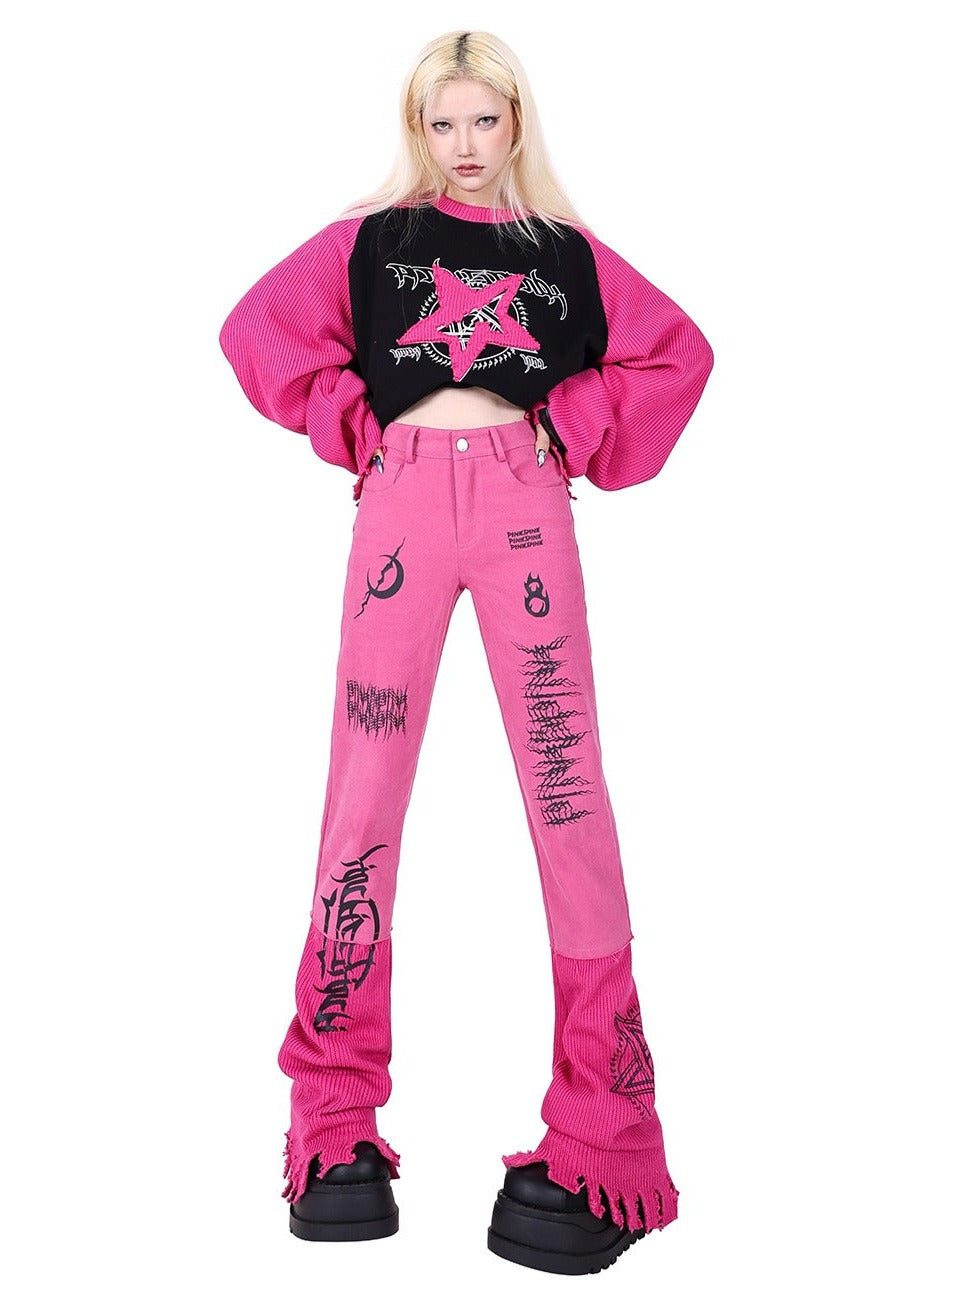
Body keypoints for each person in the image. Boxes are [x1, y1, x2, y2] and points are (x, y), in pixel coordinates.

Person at [218, 28, 713, 1276]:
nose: (463, 144)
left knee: (565, 793)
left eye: (483, 120)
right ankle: (332, 1126)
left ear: (516, 122)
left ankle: (603, 1128)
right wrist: (352, 424)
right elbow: (255, 330)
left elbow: (676, 352)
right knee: (362, 797)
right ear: (417, 131)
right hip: (398, 503)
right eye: (440, 124)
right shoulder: (370, 241)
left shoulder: (562, 254)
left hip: (521, 503)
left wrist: (569, 422)